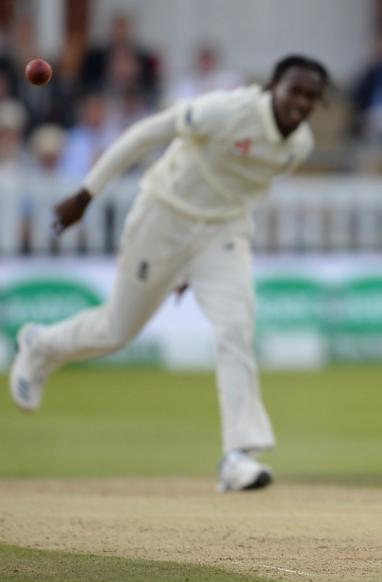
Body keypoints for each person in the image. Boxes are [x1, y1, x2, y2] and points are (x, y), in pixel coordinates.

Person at [8, 55, 330, 493]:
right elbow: (146, 134)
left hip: (223, 232)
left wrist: (195, 265)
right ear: (273, 85)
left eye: (311, 96)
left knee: (236, 330)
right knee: (117, 330)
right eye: (295, 90)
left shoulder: (298, 146)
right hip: (163, 217)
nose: (301, 102)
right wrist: (86, 194)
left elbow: (247, 189)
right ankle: (40, 344)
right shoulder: (227, 111)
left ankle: (239, 456)